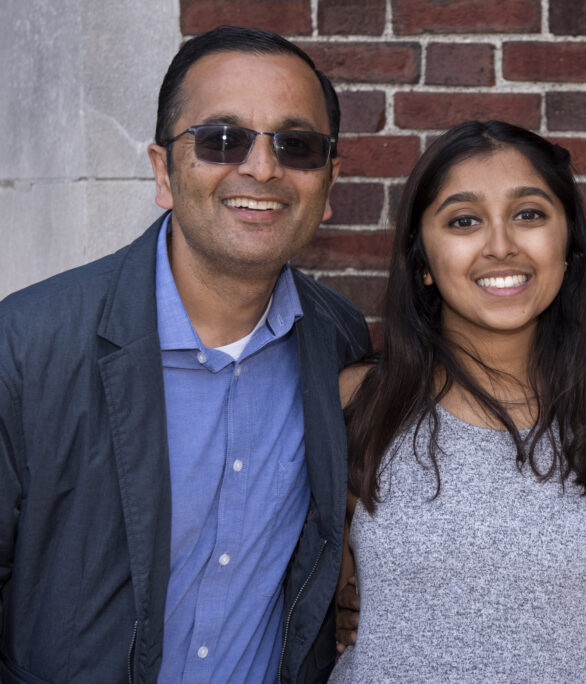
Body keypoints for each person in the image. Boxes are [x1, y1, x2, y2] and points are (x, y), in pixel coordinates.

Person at [0, 26, 369, 683]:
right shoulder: (27, 346)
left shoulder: (338, 343)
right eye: (221, 139)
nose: (262, 168)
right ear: (162, 171)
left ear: (329, 180)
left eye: (297, 145)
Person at [328, 120, 586, 682]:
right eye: (464, 220)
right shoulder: (362, 401)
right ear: (422, 259)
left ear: (569, 242)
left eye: (529, 214)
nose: (500, 245)